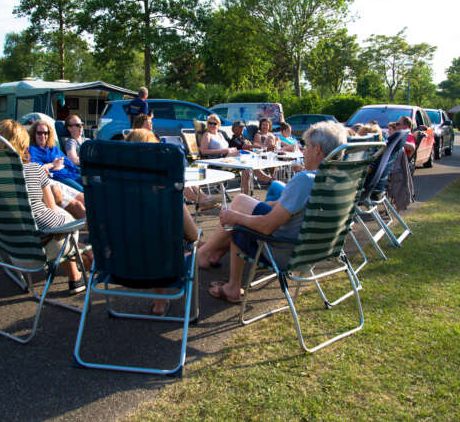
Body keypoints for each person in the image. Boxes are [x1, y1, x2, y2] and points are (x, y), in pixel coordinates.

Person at [198, 121, 347, 303]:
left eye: (306, 147)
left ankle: (229, 284)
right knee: (244, 202)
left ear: (317, 149)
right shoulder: (342, 179)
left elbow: (266, 227)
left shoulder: (306, 180)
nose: (303, 152)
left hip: (282, 251)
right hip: (317, 251)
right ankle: (209, 252)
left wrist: (234, 217)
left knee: (237, 218)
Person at [0, 120, 89, 294]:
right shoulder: (32, 170)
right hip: (37, 251)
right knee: (64, 222)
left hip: (9, 248)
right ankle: (76, 277)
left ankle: (79, 270)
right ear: (22, 143)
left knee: (55, 223)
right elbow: (53, 211)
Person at [126, 128, 200, 315]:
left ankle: (160, 301)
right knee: (188, 245)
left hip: (119, 264)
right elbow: (192, 235)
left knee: (145, 239)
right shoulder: (165, 189)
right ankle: (160, 301)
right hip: (164, 267)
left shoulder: (108, 188)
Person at [28, 120, 83, 192]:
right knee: (83, 191)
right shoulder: (31, 150)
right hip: (57, 178)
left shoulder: (53, 148)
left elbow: (67, 162)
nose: (43, 136)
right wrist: (53, 164)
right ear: (34, 134)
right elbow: (37, 169)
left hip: (70, 173)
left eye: (45, 133)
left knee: (93, 184)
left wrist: (61, 165)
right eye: (39, 133)